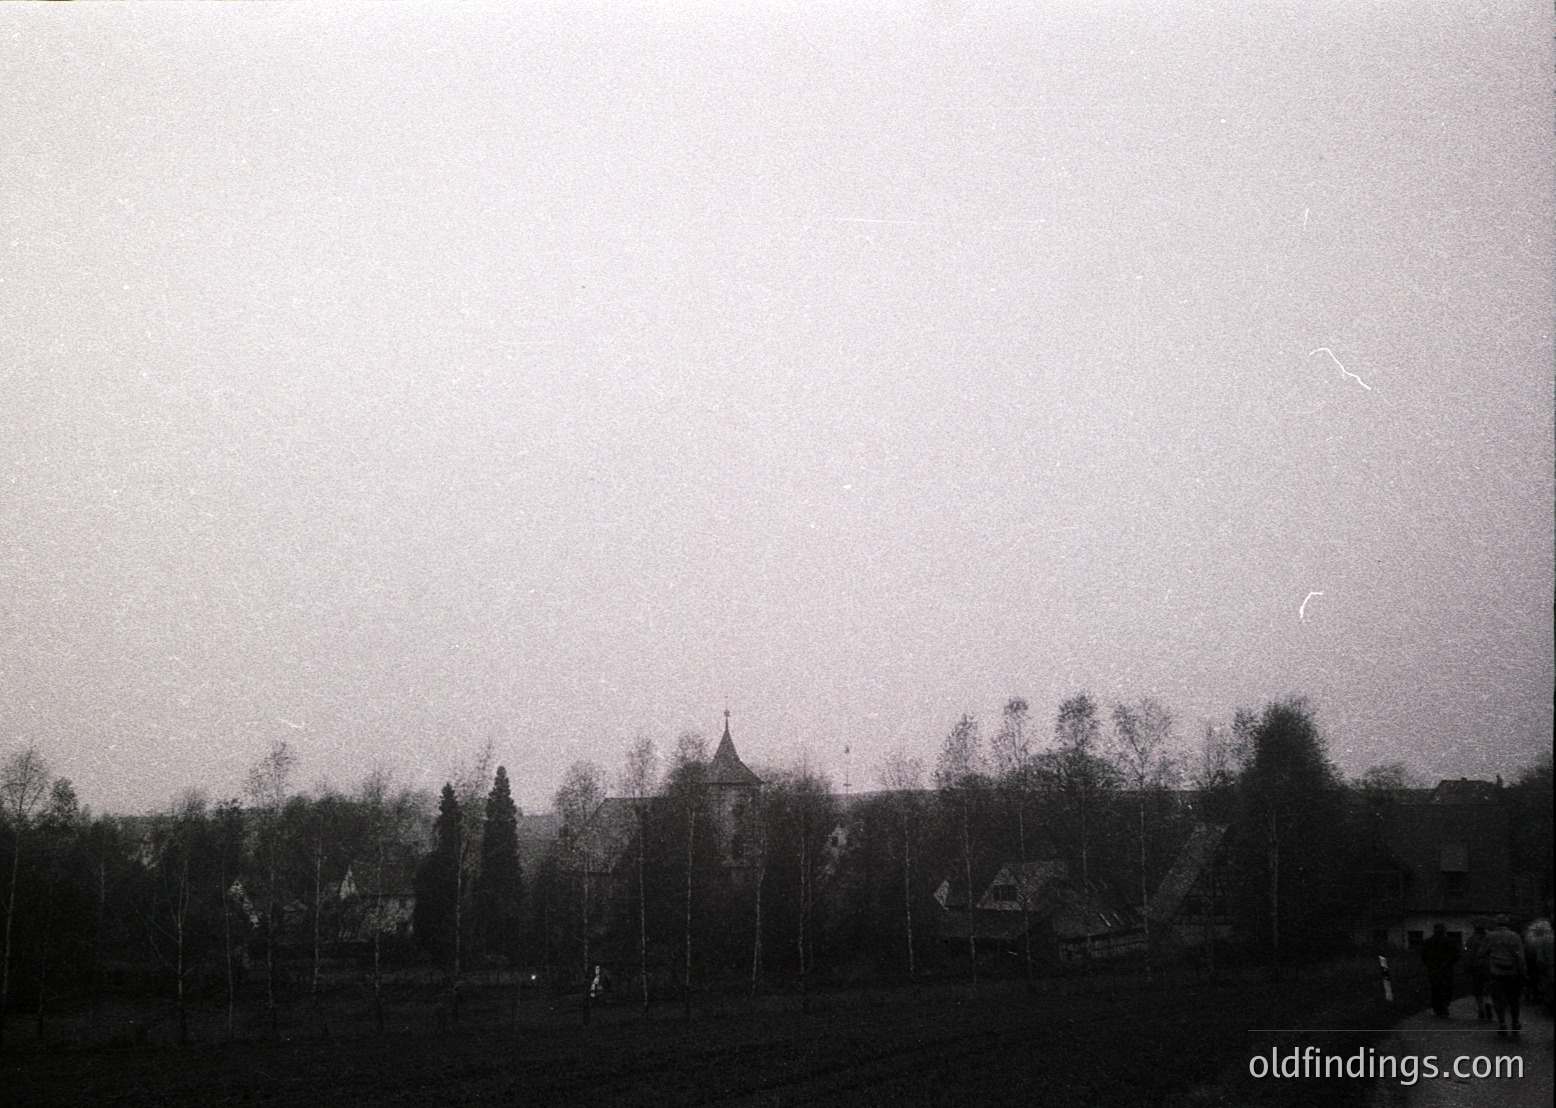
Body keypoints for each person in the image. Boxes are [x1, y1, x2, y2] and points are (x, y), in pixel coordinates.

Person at [1485, 915, 1526, 1036]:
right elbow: (1520, 957)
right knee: (1514, 1000)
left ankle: (1502, 1023)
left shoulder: (1490, 936)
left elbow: (1482, 952)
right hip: (1512, 972)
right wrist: (1523, 972)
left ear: (1496, 924)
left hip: (1496, 972)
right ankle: (1515, 1023)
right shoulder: (1515, 936)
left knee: (1498, 999)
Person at [1420, 922, 1460, 1018]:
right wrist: (1449, 963)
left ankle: (1438, 1009)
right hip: (1446, 968)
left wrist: (1430, 964)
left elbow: (1423, 956)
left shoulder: (1428, 942)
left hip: (1433, 968)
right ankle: (1445, 1006)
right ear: (1444, 930)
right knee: (1447, 987)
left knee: (1435, 988)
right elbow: (1456, 955)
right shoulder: (1449, 941)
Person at [1464, 919, 1492, 1020]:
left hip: (1476, 966)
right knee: (1488, 986)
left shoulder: (1471, 940)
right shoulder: (1489, 939)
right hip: (1488, 966)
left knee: (1477, 988)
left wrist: (1467, 967)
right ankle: (1488, 1002)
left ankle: (1481, 1008)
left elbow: (1468, 954)